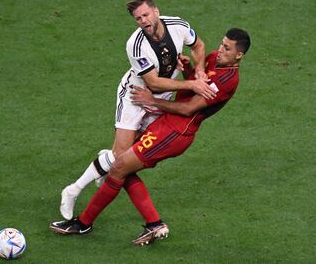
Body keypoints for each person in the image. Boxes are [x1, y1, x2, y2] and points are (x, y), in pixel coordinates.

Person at [50, 28, 251, 245]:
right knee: (121, 164)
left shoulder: (228, 80)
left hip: (174, 132)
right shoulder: (214, 58)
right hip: (166, 123)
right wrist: (188, 69)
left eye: (227, 48)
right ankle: (154, 224)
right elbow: (195, 84)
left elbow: (188, 109)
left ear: (239, 55)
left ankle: (83, 223)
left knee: (118, 167)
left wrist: (151, 100)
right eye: (221, 43)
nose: (220, 50)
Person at [59, 0, 216, 222]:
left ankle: (106, 163)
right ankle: (73, 190)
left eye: (145, 15)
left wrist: (199, 69)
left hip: (162, 99)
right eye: (137, 18)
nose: (143, 20)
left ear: (156, 11)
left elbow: (199, 45)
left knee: (129, 155)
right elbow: (152, 82)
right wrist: (192, 83)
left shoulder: (178, 26)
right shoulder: (135, 45)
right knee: (121, 157)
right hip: (135, 95)